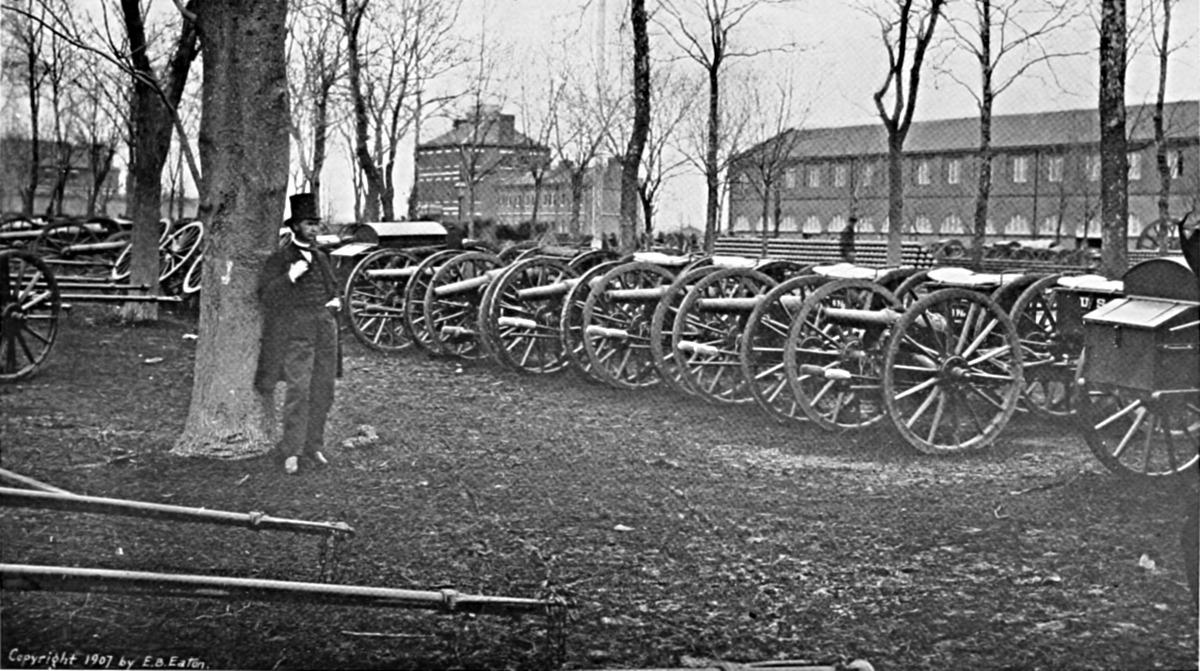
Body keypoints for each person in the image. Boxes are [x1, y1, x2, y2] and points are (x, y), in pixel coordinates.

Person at [255, 193, 342, 475]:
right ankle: (291, 450)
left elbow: (333, 288)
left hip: (325, 328)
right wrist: (290, 276)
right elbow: (266, 296)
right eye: (308, 224)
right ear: (295, 227)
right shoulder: (281, 259)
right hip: (297, 330)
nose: (314, 229)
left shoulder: (321, 257)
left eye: (316, 223)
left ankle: (314, 445)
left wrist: (335, 302)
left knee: (324, 389)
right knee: (299, 389)